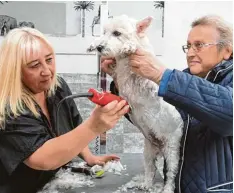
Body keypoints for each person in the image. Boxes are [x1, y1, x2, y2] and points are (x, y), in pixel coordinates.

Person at [101, 15, 233, 192]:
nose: (190, 52)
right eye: (188, 46)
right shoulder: (183, 80)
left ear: (227, 51)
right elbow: (151, 120)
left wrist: (162, 75)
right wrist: (120, 80)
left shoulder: (179, 81)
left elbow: (228, 115)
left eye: (199, 45)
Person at [0, 27, 130, 193]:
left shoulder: (57, 87)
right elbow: (42, 158)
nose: (47, 72)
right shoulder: (8, 106)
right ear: (14, 70)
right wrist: (93, 127)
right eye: (34, 65)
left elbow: (72, 127)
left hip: (47, 184)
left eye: (49, 60)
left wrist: (89, 157)